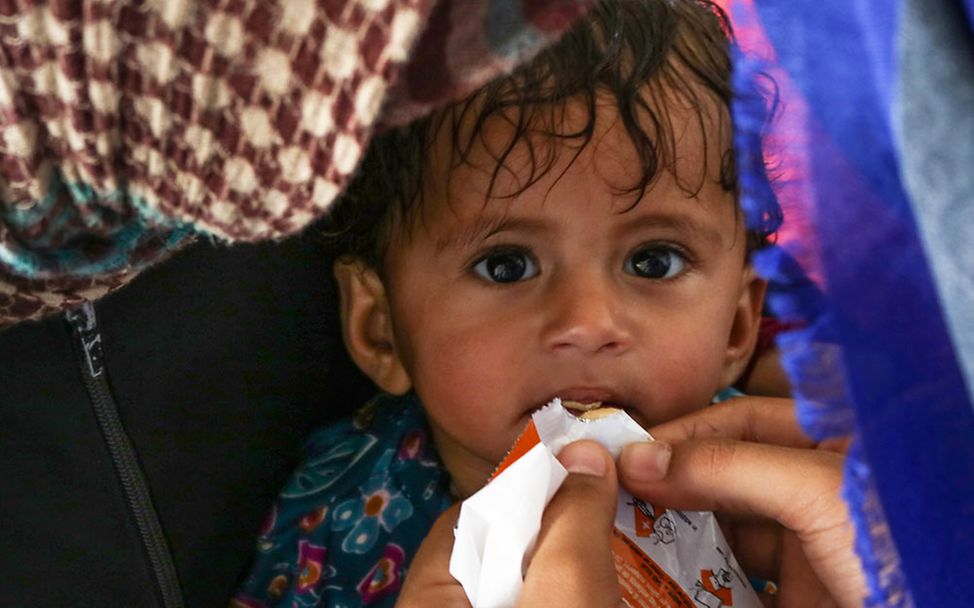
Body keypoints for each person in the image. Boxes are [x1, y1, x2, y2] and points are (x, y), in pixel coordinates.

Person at [231, 0, 864, 606]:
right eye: (506, 266)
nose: (588, 324)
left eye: (654, 261)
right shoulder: (339, 516)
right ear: (382, 330)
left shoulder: (792, 511)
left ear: (736, 328)